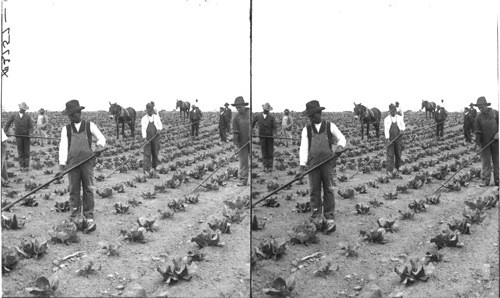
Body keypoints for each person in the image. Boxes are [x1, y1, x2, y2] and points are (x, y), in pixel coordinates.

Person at [55, 100, 106, 223]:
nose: (71, 117)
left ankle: (88, 214)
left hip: (87, 162)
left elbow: (101, 138)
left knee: (88, 188)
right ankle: (75, 214)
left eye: (73, 114)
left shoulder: (89, 125)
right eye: (69, 115)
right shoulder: (66, 129)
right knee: (74, 189)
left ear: (79, 113)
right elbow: (63, 147)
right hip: (72, 163)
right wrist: (62, 167)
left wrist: (99, 146)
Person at [296, 100, 346, 220]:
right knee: (314, 189)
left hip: (327, 162)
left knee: (328, 189)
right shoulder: (306, 130)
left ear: (319, 113)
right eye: (310, 116)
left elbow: (342, 138)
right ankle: (316, 215)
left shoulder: (330, 126)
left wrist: (339, 147)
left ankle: (329, 214)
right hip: (313, 164)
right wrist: (301, 167)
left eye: (314, 115)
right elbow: (303, 149)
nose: (312, 118)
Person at [473, 96, 499, 187]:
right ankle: (485, 180)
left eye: (481, 107)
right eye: (479, 107)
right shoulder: (478, 117)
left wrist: (498, 133)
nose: (480, 109)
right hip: (485, 143)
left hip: (496, 142)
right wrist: (477, 144)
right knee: (485, 162)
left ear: (485, 105)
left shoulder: (496, 113)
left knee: (497, 161)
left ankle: (498, 180)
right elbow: (477, 132)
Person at [3, 102, 34, 172]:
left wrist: (31, 133)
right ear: (20, 108)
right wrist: (5, 131)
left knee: (26, 151)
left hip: (26, 136)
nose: (24, 110)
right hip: (18, 135)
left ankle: (26, 166)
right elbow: (8, 123)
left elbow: (31, 126)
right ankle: (21, 165)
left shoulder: (28, 117)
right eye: (23, 109)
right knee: (20, 151)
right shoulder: (14, 115)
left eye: (25, 109)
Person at [252, 103, 277, 172]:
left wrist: (274, 134)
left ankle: (270, 166)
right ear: (263, 109)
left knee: (270, 151)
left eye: (268, 110)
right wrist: (250, 129)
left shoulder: (271, 117)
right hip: (262, 135)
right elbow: (253, 122)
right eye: (266, 109)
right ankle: (265, 166)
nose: (267, 111)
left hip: (270, 136)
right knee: (264, 151)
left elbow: (275, 127)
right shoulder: (258, 115)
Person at [232, 96, 250, 186]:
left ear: (244, 105)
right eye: (237, 107)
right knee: (243, 161)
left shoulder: (250, 113)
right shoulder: (236, 118)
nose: (238, 109)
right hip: (242, 142)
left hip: (252, 142)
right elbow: (235, 132)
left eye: (240, 107)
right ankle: (243, 179)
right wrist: (235, 145)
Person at [141, 102, 163, 175]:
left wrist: (159, 129)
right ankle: (146, 169)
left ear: (152, 110)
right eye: (148, 111)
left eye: (150, 111)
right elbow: (143, 129)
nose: (149, 112)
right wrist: (144, 139)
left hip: (155, 137)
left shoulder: (156, 117)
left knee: (155, 152)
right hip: (147, 138)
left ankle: (155, 166)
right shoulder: (144, 118)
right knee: (147, 154)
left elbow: (160, 125)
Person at [384, 103, 406, 175]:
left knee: (398, 152)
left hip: (398, 137)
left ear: (395, 110)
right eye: (391, 111)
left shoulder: (399, 117)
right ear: (389, 111)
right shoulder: (386, 119)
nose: (392, 112)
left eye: (393, 111)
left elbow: (403, 126)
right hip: (390, 138)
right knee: (390, 154)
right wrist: (387, 139)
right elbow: (386, 130)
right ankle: (389, 170)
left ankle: (398, 166)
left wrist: (402, 130)